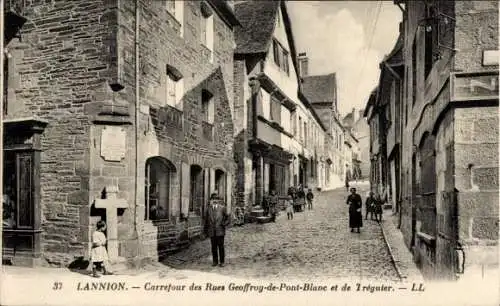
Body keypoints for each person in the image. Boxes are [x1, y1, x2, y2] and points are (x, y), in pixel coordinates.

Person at [204, 193, 230, 267]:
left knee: (221, 247)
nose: (215, 200)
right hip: (212, 231)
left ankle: (222, 262)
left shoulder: (222, 208)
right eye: (213, 199)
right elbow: (206, 221)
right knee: (213, 247)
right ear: (211, 200)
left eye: (216, 199)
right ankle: (215, 261)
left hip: (220, 231)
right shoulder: (208, 209)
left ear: (218, 200)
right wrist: (205, 231)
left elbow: (228, 218)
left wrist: (224, 224)